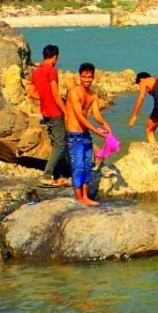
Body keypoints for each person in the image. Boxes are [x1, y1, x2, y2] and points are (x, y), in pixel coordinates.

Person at [64, 62, 110, 207]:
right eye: (84, 76)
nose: (87, 80)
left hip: (86, 136)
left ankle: (85, 196)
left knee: (87, 166)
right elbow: (79, 116)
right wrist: (96, 130)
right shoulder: (73, 92)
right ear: (80, 76)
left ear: (93, 77)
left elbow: (96, 114)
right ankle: (79, 198)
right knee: (78, 166)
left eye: (90, 77)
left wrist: (104, 124)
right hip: (75, 136)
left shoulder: (92, 95)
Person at [29, 44, 70, 187]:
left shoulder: (36, 71)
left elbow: (31, 93)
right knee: (61, 144)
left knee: (56, 143)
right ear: (55, 57)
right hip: (54, 112)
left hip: (45, 112)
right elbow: (55, 94)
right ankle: (47, 175)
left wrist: (44, 98)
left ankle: (58, 175)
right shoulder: (52, 70)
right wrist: (65, 110)